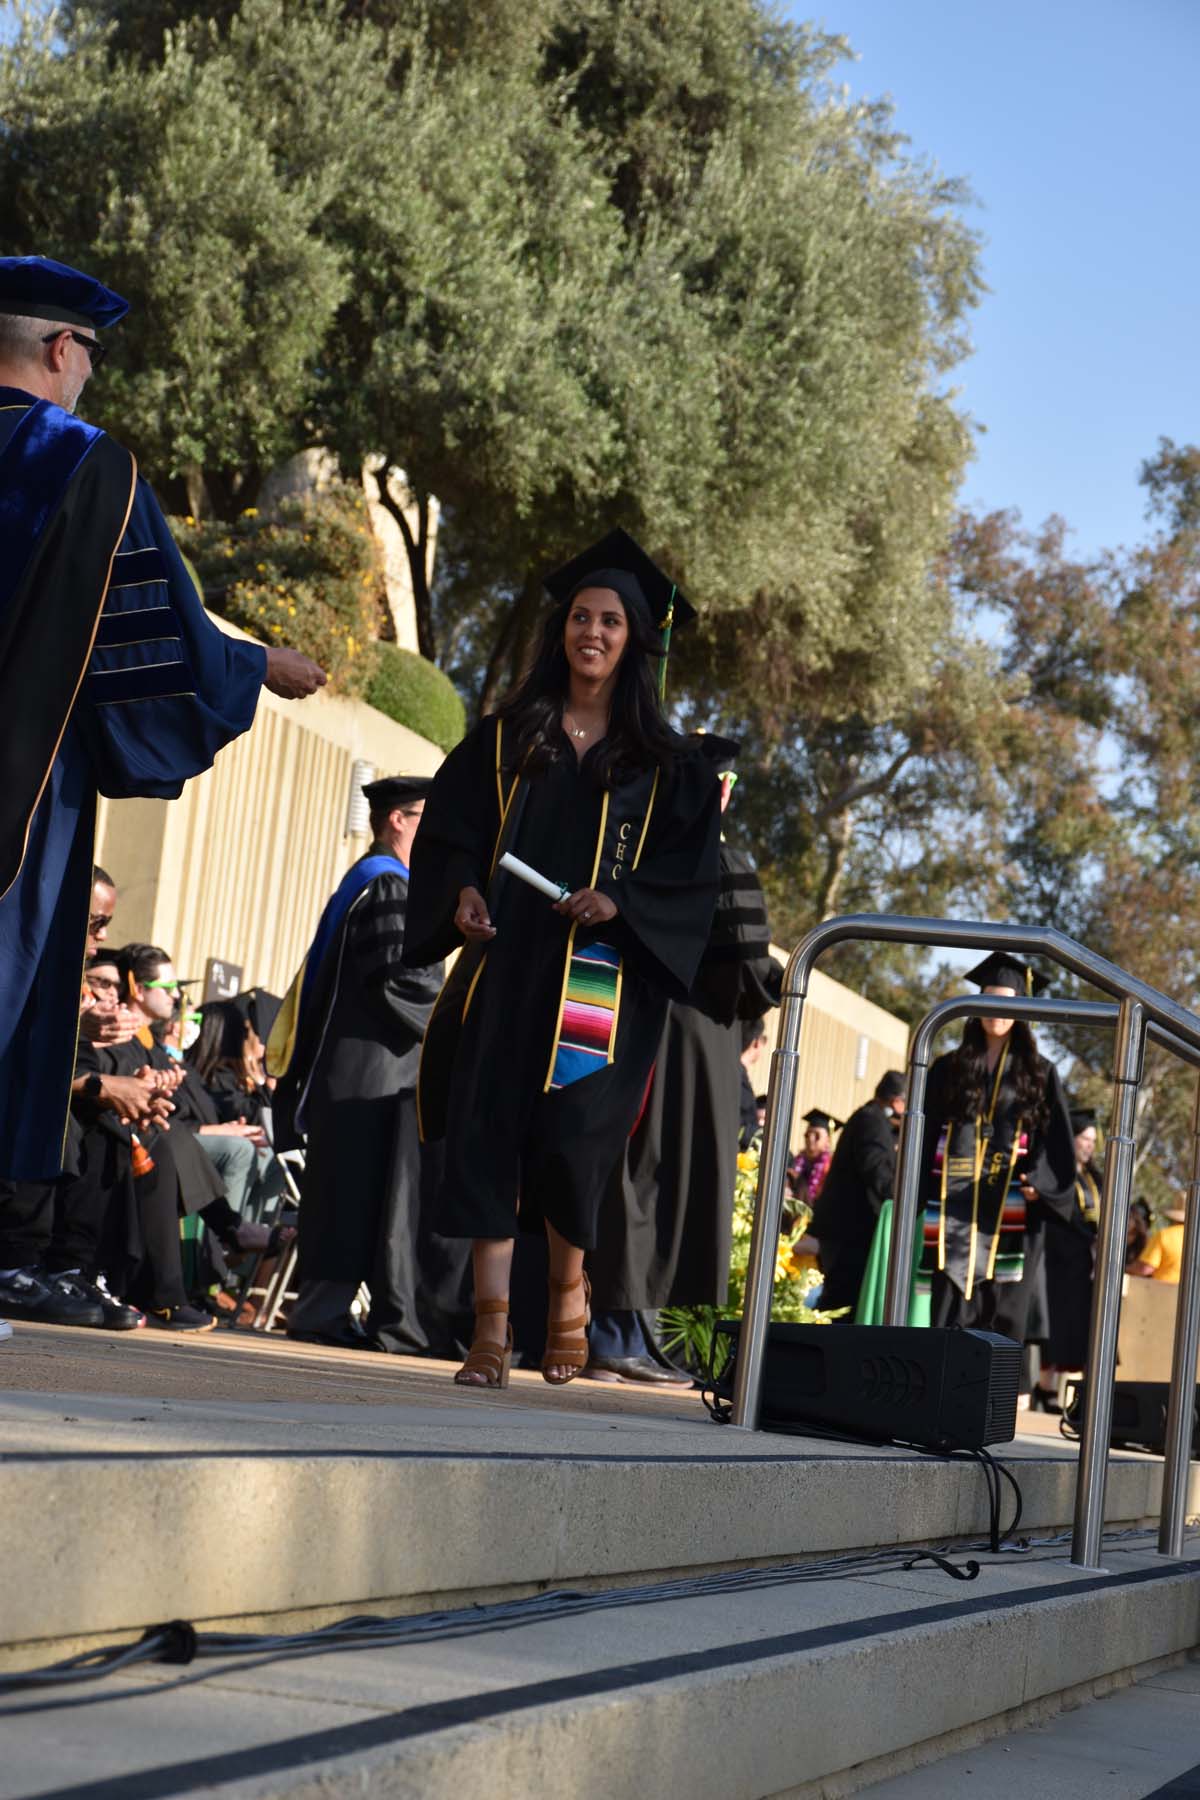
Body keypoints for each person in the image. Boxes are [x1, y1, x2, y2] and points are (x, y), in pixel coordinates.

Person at [0, 254, 325, 1189]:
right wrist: (258, 661)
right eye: (92, 355)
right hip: (21, 806)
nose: (92, 376)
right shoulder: (81, 463)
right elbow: (161, 646)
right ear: (63, 347)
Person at [404, 528, 721, 1388]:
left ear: (634, 639)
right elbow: (451, 838)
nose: (592, 632)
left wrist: (620, 901)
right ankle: (491, 1334)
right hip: (507, 965)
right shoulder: (508, 740)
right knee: (489, 1139)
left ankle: (571, 1293)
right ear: (563, 631)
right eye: (581, 617)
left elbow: (694, 872)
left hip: (601, 984)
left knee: (575, 1142)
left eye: (611, 621)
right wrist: (463, 894)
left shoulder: (667, 765)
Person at [585, 739, 781, 1383]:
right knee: (653, 1181)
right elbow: (748, 970)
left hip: (626, 1024)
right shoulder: (717, 858)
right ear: (720, 792)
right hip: (693, 1042)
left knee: (631, 1178)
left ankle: (617, 1331)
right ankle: (617, 1336)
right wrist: (773, 986)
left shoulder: (627, 845)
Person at [271, 774, 464, 1353]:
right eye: (427, 819)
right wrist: (457, 1025)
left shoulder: (366, 881)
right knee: (356, 1194)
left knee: (346, 1192)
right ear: (397, 820)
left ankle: (324, 1311)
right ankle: (324, 1313)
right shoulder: (391, 888)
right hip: (375, 1072)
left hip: (357, 1066)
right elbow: (403, 982)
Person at [918, 954, 1076, 1349]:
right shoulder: (949, 1067)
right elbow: (926, 1134)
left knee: (1000, 1319)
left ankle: (990, 1407)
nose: (997, 1013)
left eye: (1008, 1003)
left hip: (1012, 1217)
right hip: (952, 1208)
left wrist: (1040, 1183)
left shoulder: (1039, 1073)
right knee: (946, 1314)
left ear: (1023, 1011)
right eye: (989, 1001)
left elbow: (1054, 1140)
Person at [808, 1074, 906, 1316]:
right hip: (848, 1235)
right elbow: (877, 1171)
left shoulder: (869, 1119)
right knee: (841, 1306)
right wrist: (903, 1194)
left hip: (848, 1233)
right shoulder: (871, 1122)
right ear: (897, 1102)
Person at [1035, 1104, 1101, 1411]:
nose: (1089, 1145)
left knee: (1082, 1327)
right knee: (1054, 1322)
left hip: (1085, 1263)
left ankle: (1082, 1394)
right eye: (1085, 1139)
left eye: (1092, 1141)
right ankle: (1044, 1387)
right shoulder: (1057, 1170)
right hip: (1058, 1257)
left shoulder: (1095, 1177)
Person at [786, 1109, 839, 1218]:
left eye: (817, 1135)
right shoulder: (794, 1163)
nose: (810, 1138)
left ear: (828, 1140)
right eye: (807, 1135)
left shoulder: (832, 1168)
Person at [1130, 1202, 1187, 1283]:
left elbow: (1145, 1269)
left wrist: (1124, 1269)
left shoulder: (1164, 1235)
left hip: (1162, 1291)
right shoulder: (1196, 1239)